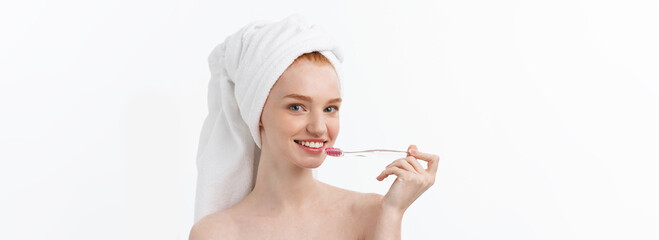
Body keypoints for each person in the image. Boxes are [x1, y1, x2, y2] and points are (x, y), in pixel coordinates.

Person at [190, 15, 439, 240]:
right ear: (258, 114)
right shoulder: (216, 233)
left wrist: (393, 213)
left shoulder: (372, 213)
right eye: (297, 107)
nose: (319, 128)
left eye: (330, 108)